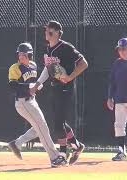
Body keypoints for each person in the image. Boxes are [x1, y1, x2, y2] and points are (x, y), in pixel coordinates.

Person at [30, 20, 88, 165]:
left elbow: (84, 63)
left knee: (57, 123)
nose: (46, 32)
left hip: (65, 88)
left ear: (57, 32)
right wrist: (38, 83)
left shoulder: (66, 47)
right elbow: (48, 69)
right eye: (45, 30)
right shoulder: (48, 48)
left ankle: (62, 153)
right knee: (58, 121)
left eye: (49, 30)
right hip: (54, 87)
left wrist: (70, 77)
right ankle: (76, 145)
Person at [8, 42, 67, 168]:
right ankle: (55, 157)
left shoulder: (33, 65)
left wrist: (37, 84)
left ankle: (16, 144)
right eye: (19, 54)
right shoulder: (15, 68)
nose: (21, 56)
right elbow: (13, 86)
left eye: (24, 54)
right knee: (42, 127)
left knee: (38, 128)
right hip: (23, 103)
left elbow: (37, 81)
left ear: (30, 55)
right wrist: (30, 86)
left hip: (32, 101)